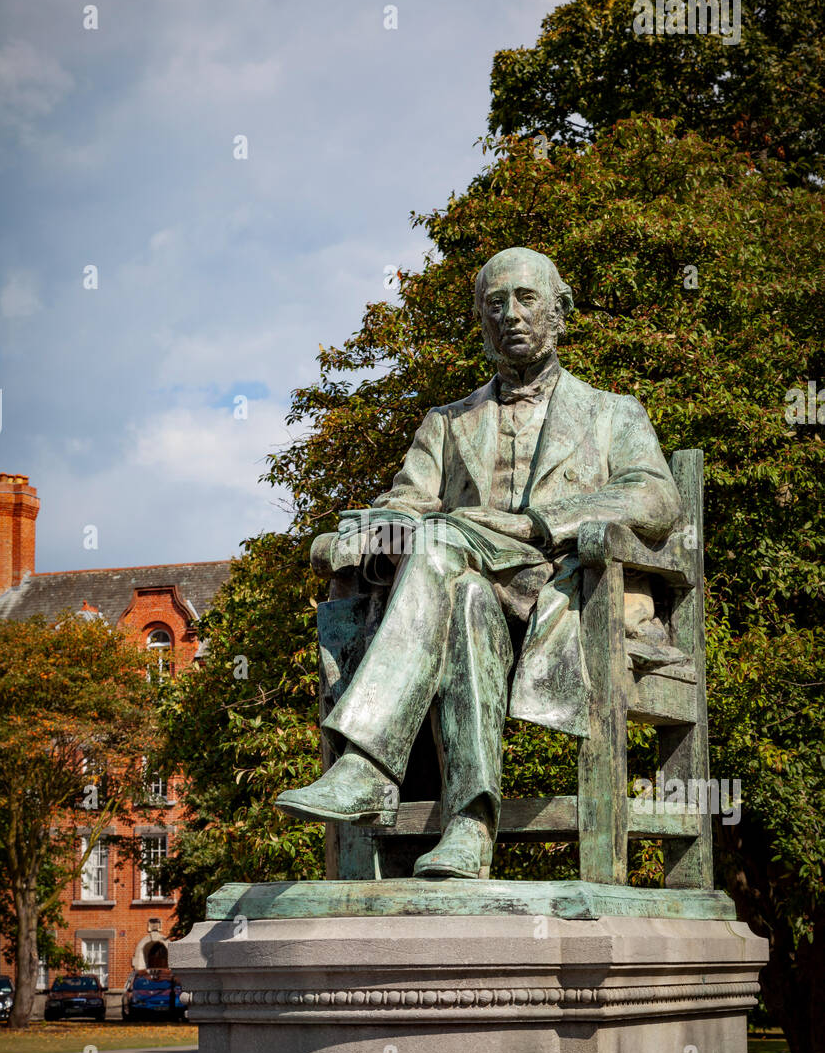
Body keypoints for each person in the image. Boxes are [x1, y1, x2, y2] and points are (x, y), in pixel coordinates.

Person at [276, 248, 681, 878]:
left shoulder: (612, 414)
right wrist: (366, 537)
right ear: (480, 319)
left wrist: (536, 523)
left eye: (525, 299)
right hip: (469, 602)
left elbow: (656, 497)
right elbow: (404, 505)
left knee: (442, 542)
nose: (510, 315)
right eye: (495, 304)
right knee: (457, 583)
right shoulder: (445, 423)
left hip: (567, 594)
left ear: (561, 312)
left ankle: (368, 763)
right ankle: (470, 827)